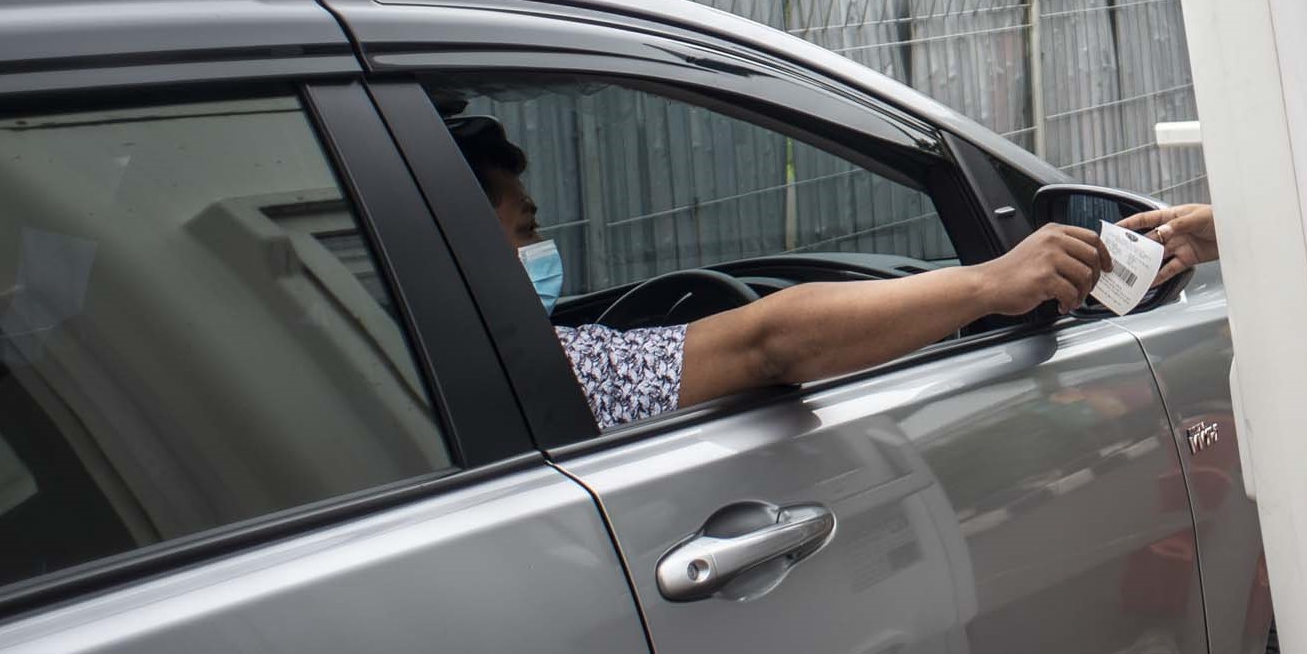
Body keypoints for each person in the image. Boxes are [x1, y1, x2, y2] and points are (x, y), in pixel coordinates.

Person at [448, 116, 1115, 428]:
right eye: (528, 228)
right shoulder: (563, 369)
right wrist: (989, 283)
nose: (545, 243)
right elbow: (769, 344)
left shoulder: (430, 369)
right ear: (466, 250)